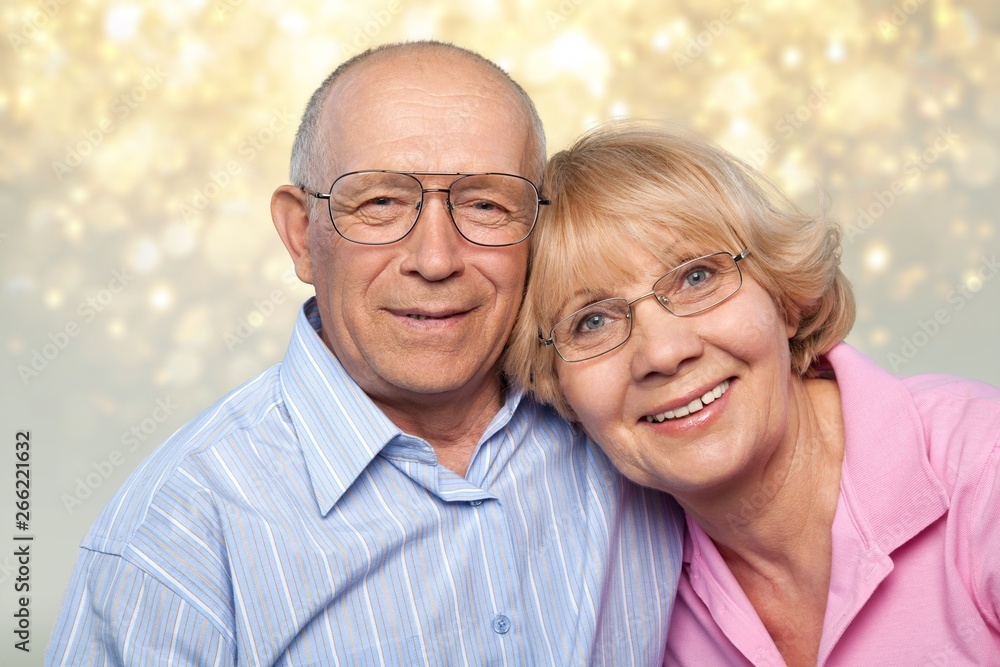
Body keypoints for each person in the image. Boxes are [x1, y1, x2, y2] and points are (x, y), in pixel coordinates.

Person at [46, 43, 684, 665]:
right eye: (381, 203)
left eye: (487, 204)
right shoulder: (172, 544)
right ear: (301, 235)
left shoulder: (633, 418)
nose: (435, 260)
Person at [505, 120, 1000, 666]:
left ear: (785, 299)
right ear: (561, 393)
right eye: (592, 321)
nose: (664, 353)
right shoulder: (621, 594)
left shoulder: (981, 463)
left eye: (696, 277)